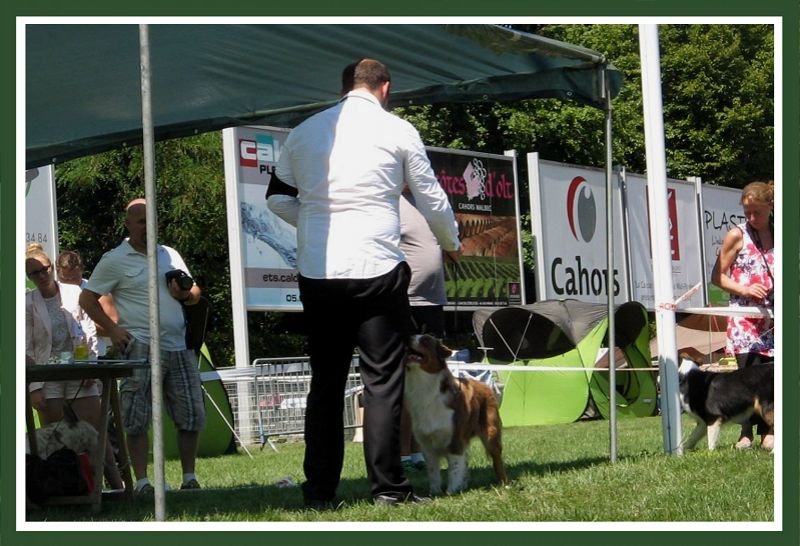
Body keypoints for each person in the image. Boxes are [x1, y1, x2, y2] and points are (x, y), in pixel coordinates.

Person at [267, 58, 461, 507]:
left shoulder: (304, 132)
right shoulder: (398, 130)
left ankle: (318, 492)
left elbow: (277, 198)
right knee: (382, 383)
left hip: (319, 272)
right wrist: (451, 240)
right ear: (385, 88)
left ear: (344, 87)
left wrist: (315, 224)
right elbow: (431, 198)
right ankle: (389, 489)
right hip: (377, 268)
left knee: (326, 382)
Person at [79, 198, 206, 495]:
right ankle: (142, 482)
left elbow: (196, 292)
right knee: (136, 418)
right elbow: (87, 299)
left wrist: (186, 295)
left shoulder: (170, 254)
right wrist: (113, 329)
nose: (147, 227)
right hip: (140, 346)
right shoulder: (114, 259)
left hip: (179, 345)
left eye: (151, 220)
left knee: (191, 414)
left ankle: (189, 478)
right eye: (140, 221)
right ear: (128, 225)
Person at [25, 244, 124, 491]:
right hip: (47, 377)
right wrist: (34, 388)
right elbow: (26, 348)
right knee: (56, 437)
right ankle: (66, 489)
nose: (41, 275)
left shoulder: (74, 292)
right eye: (34, 273)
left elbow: (89, 332)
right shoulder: (27, 302)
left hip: (79, 372)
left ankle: (117, 485)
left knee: (95, 432)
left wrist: (89, 367)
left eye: (44, 269)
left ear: (52, 267)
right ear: (29, 277)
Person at [711, 180, 775, 451]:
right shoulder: (736, 235)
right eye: (747, 212)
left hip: (774, 319)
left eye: (756, 212)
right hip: (745, 320)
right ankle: (745, 432)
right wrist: (745, 289)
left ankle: (770, 431)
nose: (751, 218)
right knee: (747, 376)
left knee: (773, 376)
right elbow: (717, 277)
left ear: (771, 206)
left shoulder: (782, 232)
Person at [399, 190, 449, 471]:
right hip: (406, 301)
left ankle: (418, 452)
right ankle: (403, 454)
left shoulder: (431, 201)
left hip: (432, 301)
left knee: (425, 385)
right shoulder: (390, 199)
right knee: (404, 383)